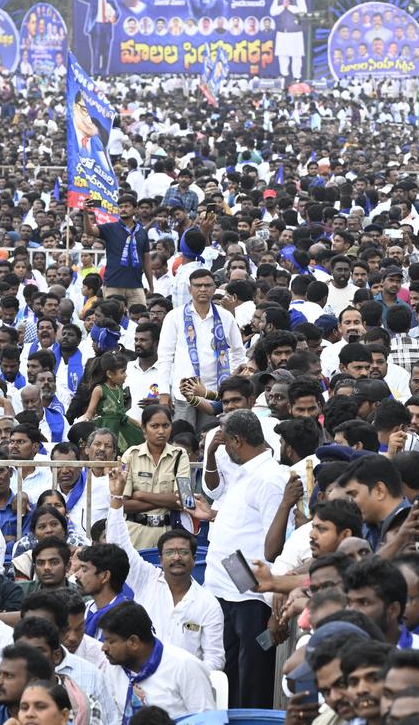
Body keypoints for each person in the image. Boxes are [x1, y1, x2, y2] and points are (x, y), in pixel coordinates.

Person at [202, 409, 290, 708]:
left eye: (226, 443)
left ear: (237, 441)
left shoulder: (270, 479)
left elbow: (277, 546)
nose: (224, 448)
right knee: (231, 680)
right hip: (226, 591)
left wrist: (273, 607)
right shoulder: (246, 474)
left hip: (252, 599)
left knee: (252, 682)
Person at [106, 466, 225, 669]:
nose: (176, 557)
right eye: (170, 552)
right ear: (160, 559)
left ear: (194, 558)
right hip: (141, 683)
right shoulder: (146, 579)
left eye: (183, 552)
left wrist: (186, 677)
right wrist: (117, 497)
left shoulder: (208, 603)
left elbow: (215, 659)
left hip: (185, 689)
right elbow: (119, 547)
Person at [156, 269, 247, 428]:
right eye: (198, 286)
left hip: (215, 394)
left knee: (210, 438)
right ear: (190, 290)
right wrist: (164, 392)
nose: (203, 289)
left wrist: (228, 384)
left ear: (214, 288)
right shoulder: (175, 316)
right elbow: (165, 357)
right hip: (183, 394)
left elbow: (237, 353)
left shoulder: (226, 317)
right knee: (183, 439)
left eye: (207, 285)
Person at [99, 601, 215, 721]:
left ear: (133, 642)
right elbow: (113, 718)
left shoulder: (184, 666)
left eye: (111, 641)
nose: (104, 648)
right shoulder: (113, 667)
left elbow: (206, 721)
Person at [118, 405, 188, 549]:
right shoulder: (131, 455)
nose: (161, 431)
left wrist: (140, 495)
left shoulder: (180, 455)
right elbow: (124, 504)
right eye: (154, 426)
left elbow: (183, 499)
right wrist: (167, 500)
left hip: (168, 534)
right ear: (144, 428)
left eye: (165, 425)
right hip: (135, 532)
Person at [269, 0, 307, 80]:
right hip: (282, 31)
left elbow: (303, 11)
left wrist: (289, 7)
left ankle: (296, 77)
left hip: (295, 31)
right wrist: (283, 6)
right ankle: (284, 76)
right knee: (282, 55)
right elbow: (272, 12)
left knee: (296, 56)